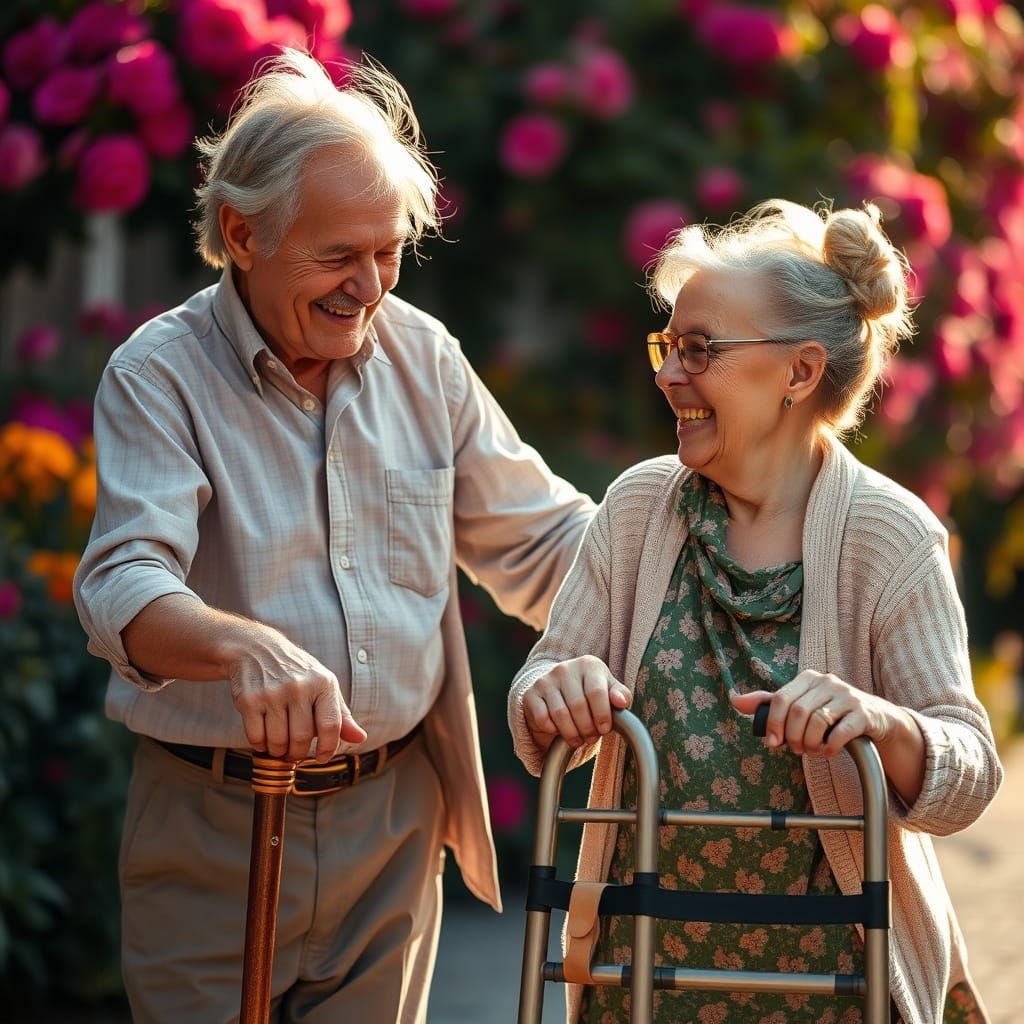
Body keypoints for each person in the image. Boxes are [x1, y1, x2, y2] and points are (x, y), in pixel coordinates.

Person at [72, 48, 595, 1024]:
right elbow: (122, 583)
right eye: (337, 256)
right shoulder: (161, 375)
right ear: (241, 234)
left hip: (391, 825)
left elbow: (542, 539)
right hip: (213, 828)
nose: (371, 287)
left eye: (388, 250)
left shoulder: (421, 356)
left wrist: (698, 559)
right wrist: (243, 645)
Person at [508, 199, 1003, 1023]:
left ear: (801, 373)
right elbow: (540, 696)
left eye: (701, 350)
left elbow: (968, 772)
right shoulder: (637, 511)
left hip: (835, 988)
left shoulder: (890, 537)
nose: (669, 373)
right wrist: (559, 688)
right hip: (642, 988)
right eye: (669, 346)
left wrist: (878, 721)